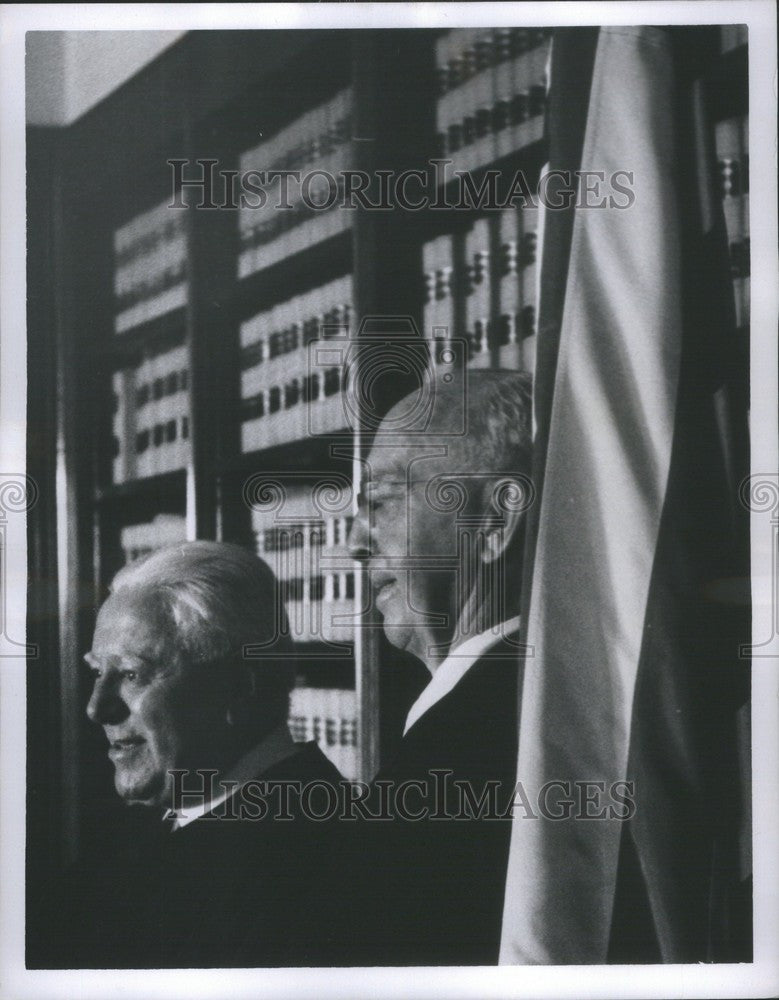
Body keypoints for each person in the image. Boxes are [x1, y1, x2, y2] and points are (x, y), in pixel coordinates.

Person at [52, 540, 343, 968]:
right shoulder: (155, 827)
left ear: (239, 689)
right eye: (98, 672)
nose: (96, 708)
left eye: (132, 675)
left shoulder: (303, 871)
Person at [344, 368, 533, 966]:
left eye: (380, 500)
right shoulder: (533, 704)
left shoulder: (464, 755)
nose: (354, 541)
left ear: (495, 523)